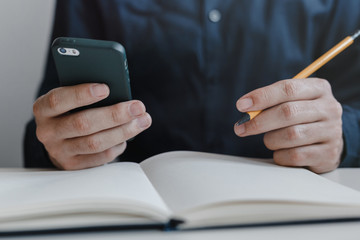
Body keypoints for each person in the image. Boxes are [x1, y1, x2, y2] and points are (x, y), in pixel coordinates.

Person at [24, 0, 360, 173]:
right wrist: (58, 146)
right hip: (136, 217)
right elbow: (49, 127)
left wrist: (343, 136)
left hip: (295, 215)